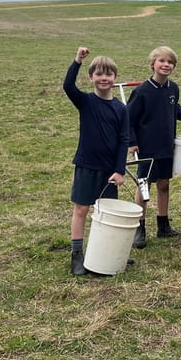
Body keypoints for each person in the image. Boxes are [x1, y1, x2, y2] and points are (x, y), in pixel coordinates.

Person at [63, 46, 129, 276]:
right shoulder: (86, 102)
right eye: (99, 74)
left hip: (109, 171)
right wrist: (77, 61)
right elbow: (68, 86)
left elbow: (124, 140)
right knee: (81, 209)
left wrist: (119, 170)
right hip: (87, 165)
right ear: (91, 78)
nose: (104, 78)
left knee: (105, 213)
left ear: (115, 78)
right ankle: (77, 254)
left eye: (108, 74)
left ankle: (105, 250)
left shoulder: (121, 109)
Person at [125, 46, 181, 248]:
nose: (166, 65)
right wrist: (132, 142)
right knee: (144, 186)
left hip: (167, 146)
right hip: (147, 149)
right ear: (153, 64)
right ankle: (140, 228)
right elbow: (128, 120)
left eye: (170, 62)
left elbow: (174, 107)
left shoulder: (173, 88)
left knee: (164, 184)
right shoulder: (141, 92)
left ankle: (163, 225)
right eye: (162, 61)